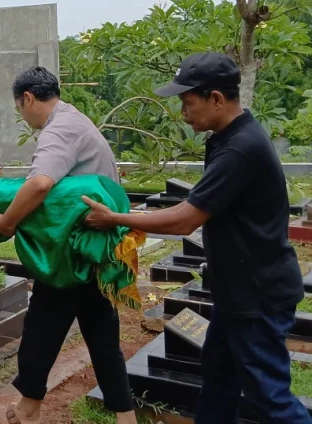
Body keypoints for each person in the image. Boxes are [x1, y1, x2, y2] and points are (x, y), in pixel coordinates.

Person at [82, 53, 310, 424]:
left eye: (188, 103)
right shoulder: (225, 138)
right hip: (236, 291)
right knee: (219, 376)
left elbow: (186, 220)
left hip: (257, 296)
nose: (184, 113)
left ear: (217, 99)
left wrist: (116, 219)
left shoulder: (240, 148)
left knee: (268, 397)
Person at [0, 67, 136, 424]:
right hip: (91, 251)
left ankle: (26, 412)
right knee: (101, 336)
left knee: (41, 332)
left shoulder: (60, 129)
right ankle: (125, 418)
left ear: (29, 99)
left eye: (19, 108)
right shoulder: (74, 119)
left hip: (73, 258)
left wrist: (7, 222)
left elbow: (39, 185)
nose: (23, 115)